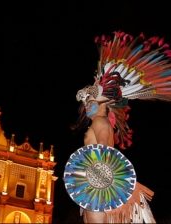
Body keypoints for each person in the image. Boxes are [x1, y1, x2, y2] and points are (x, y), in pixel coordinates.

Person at [64, 30, 171, 223]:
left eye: (91, 101)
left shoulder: (100, 121)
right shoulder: (100, 122)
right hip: (96, 182)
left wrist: (103, 185)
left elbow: (105, 151)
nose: (87, 105)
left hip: (98, 185)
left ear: (105, 105)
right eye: (86, 102)